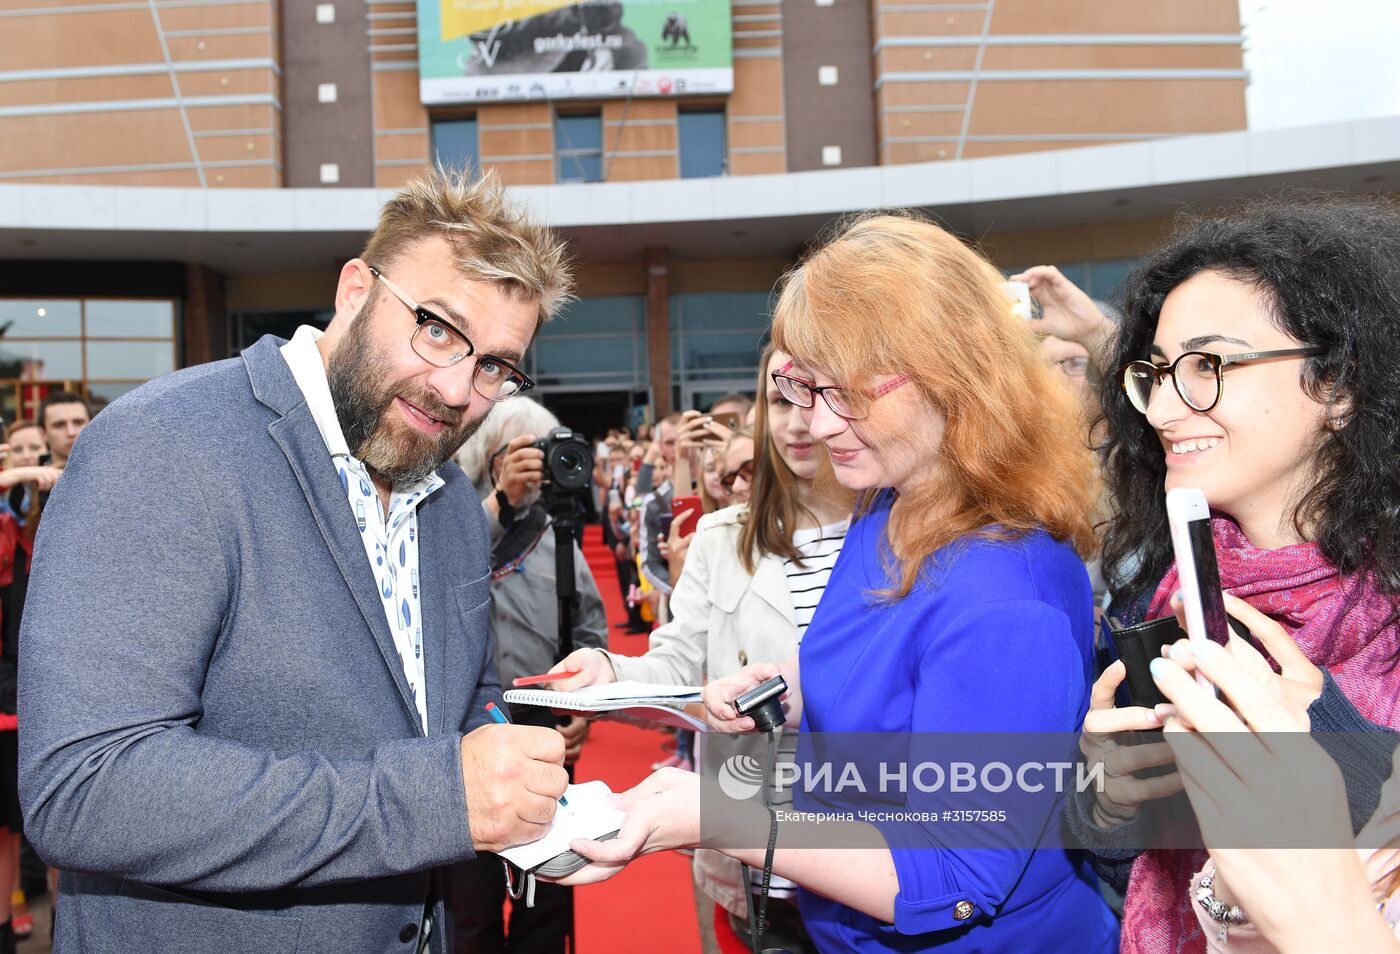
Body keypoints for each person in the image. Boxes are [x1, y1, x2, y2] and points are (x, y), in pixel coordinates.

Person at [18, 169, 574, 954]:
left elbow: (444, 713)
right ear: (355, 290)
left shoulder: (448, 501)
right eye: (438, 328)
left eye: (493, 365)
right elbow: (86, 787)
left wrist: (527, 731)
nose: (456, 387)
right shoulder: (163, 443)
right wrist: (438, 800)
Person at [555, 214, 1120, 953]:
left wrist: (723, 817)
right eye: (799, 387)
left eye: (844, 391)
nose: (816, 425)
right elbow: (891, 668)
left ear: (950, 375)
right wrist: (786, 686)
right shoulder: (889, 503)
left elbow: (952, 879)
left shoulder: (1006, 592)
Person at [1068, 199, 1400, 954]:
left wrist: (1331, 739)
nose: (1162, 406)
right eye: (1153, 372)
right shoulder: (1162, 589)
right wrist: (1110, 796)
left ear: (1341, 387)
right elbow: (1129, 854)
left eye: (1208, 365)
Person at [550, 344, 853, 952]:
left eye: (820, 392)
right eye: (780, 397)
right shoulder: (721, 540)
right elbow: (678, 665)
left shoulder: (905, 537)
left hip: (872, 849)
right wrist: (607, 673)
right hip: (756, 856)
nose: (797, 420)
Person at [450, 398, 608, 954]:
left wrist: (587, 709)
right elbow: (446, 571)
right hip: (466, 735)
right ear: (490, 460)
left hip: (547, 731)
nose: (537, 468)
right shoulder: (451, 520)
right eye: (522, 455)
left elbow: (592, 630)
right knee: (469, 905)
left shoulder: (559, 539)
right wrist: (500, 503)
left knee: (549, 894)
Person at [36, 392, 90, 469]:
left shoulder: (111, 474)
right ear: (43, 434)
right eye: (59, 425)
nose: (71, 432)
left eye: (78, 423)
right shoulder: (29, 479)